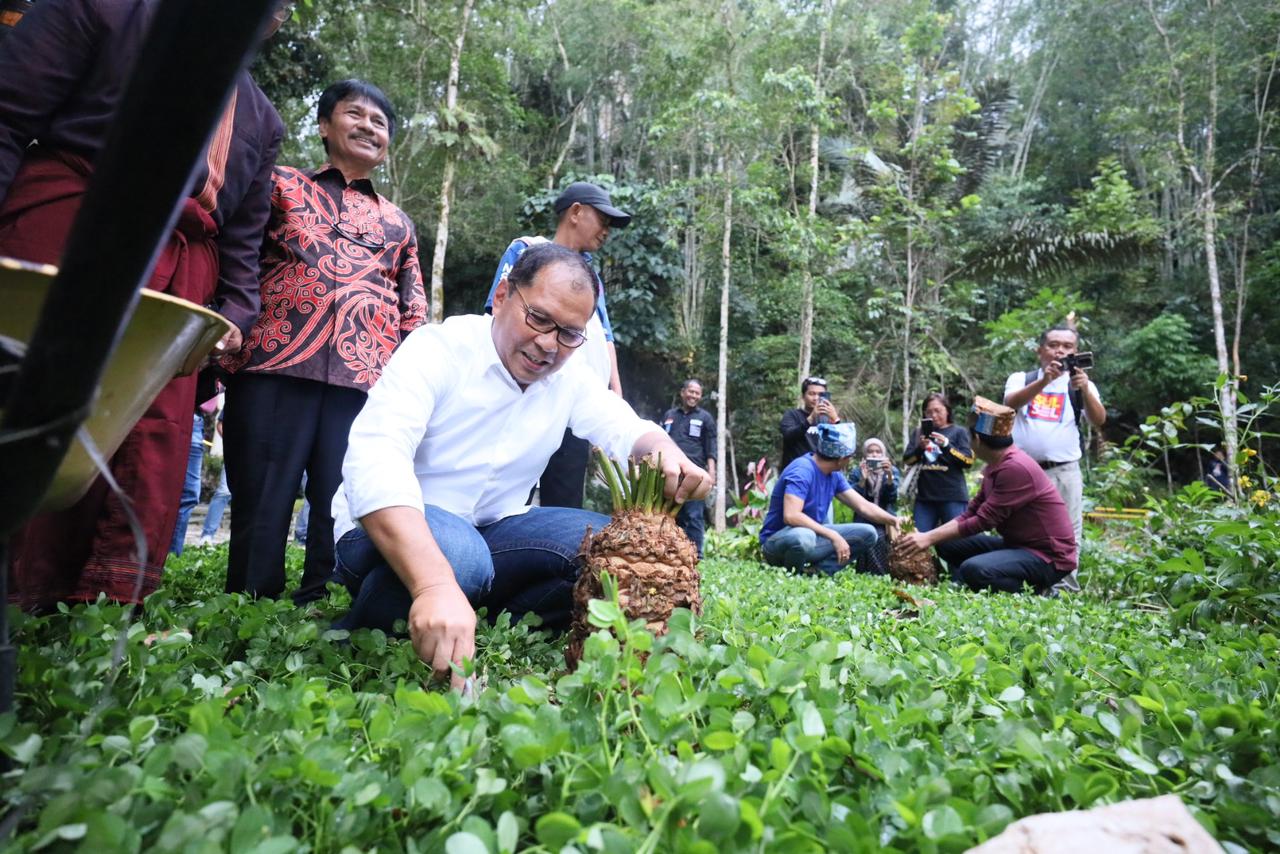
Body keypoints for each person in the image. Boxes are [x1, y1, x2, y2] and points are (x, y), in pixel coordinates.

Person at [0, 0, 285, 608]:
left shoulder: (260, 117)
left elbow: (243, 233)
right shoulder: (102, 7)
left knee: (148, 433)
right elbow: (7, 111)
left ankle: (103, 599)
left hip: (182, 276)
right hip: (68, 223)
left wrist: (235, 311)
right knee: (31, 394)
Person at [331, 243, 711, 689]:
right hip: (390, 527)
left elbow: (622, 425)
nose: (549, 344)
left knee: (607, 548)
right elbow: (376, 459)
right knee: (461, 560)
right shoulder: (439, 349)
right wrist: (435, 585)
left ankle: (470, 611)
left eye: (570, 334)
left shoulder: (567, 378)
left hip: (494, 531)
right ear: (502, 297)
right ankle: (375, 618)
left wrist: (663, 448)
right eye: (540, 318)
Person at [220, 79, 427, 604]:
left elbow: (413, 306)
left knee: (344, 494)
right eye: (354, 114)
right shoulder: (280, 185)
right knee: (263, 492)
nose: (368, 127)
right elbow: (238, 256)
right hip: (273, 363)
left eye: (380, 122)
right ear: (323, 126)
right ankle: (250, 599)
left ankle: (326, 595)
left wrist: (408, 382)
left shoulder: (399, 222)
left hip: (365, 381)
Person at [483, 181, 631, 509]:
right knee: (508, 495)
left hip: (576, 404)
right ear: (576, 212)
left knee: (565, 498)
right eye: (603, 220)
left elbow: (605, 336)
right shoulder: (527, 250)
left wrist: (614, 397)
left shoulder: (591, 279)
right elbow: (496, 315)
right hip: (529, 394)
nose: (607, 230)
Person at [899, 397, 1077, 595]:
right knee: (947, 543)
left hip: (1048, 557)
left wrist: (927, 537)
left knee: (974, 570)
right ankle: (988, 579)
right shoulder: (997, 465)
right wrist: (930, 537)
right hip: (1017, 545)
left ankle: (1039, 591)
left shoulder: (1015, 467)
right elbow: (972, 512)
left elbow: (983, 521)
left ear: (977, 440)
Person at [1003, 324, 1104, 591]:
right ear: (1040, 351)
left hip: (1064, 470)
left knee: (1068, 533)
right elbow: (1009, 403)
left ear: (1076, 352)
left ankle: (1065, 590)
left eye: (1067, 346)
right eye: (1053, 345)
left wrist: (1083, 390)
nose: (1060, 350)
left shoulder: (1081, 384)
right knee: (1019, 527)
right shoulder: (1022, 378)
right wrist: (1044, 381)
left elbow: (1098, 420)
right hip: (1023, 470)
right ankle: (1024, 584)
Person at [759, 423, 900, 575]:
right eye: (849, 457)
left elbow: (863, 506)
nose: (850, 461)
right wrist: (833, 535)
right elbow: (791, 516)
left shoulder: (834, 475)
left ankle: (817, 573)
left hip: (812, 537)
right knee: (803, 536)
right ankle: (793, 574)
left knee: (868, 533)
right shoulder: (802, 470)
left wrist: (894, 520)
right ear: (840, 459)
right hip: (778, 542)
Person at [661, 379, 717, 557]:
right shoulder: (669, 415)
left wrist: (711, 472)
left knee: (694, 516)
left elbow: (711, 447)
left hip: (695, 473)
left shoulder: (705, 418)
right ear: (682, 392)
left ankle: (695, 554)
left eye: (697, 393)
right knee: (667, 512)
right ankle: (667, 550)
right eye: (691, 391)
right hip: (670, 472)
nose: (693, 395)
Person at [903, 393, 974, 532]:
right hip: (925, 498)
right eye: (929, 412)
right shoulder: (919, 433)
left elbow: (968, 461)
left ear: (947, 410)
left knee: (958, 540)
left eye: (938, 411)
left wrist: (947, 445)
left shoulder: (959, 432)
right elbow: (907, 460)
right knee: (917, 539)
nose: (933, 415)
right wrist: (920, 449)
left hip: (953, 497)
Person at [848, 437, 898, 575]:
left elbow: (892, 498)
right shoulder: (857, 472)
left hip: (885, 519)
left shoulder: (892, 471)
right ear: (865, 455)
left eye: (878, 452)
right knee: (867, 535)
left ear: (883, 455)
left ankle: (879, 574)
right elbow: (851, 498)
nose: (874, 455)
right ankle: (864, 573)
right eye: (870, 452)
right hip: (863, 518)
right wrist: (862, 480)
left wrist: (889, 477)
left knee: (879, 537)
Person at [779, 376, 842, 470]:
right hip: (797, 472)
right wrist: (811, 418)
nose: (816, 398)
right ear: (803, 396)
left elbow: (842, 444)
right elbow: (788, 435)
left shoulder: (829, 419)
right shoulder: (792, 415)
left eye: (821, 395)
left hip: (822, 473)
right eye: (812, 394)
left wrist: (836, 419)